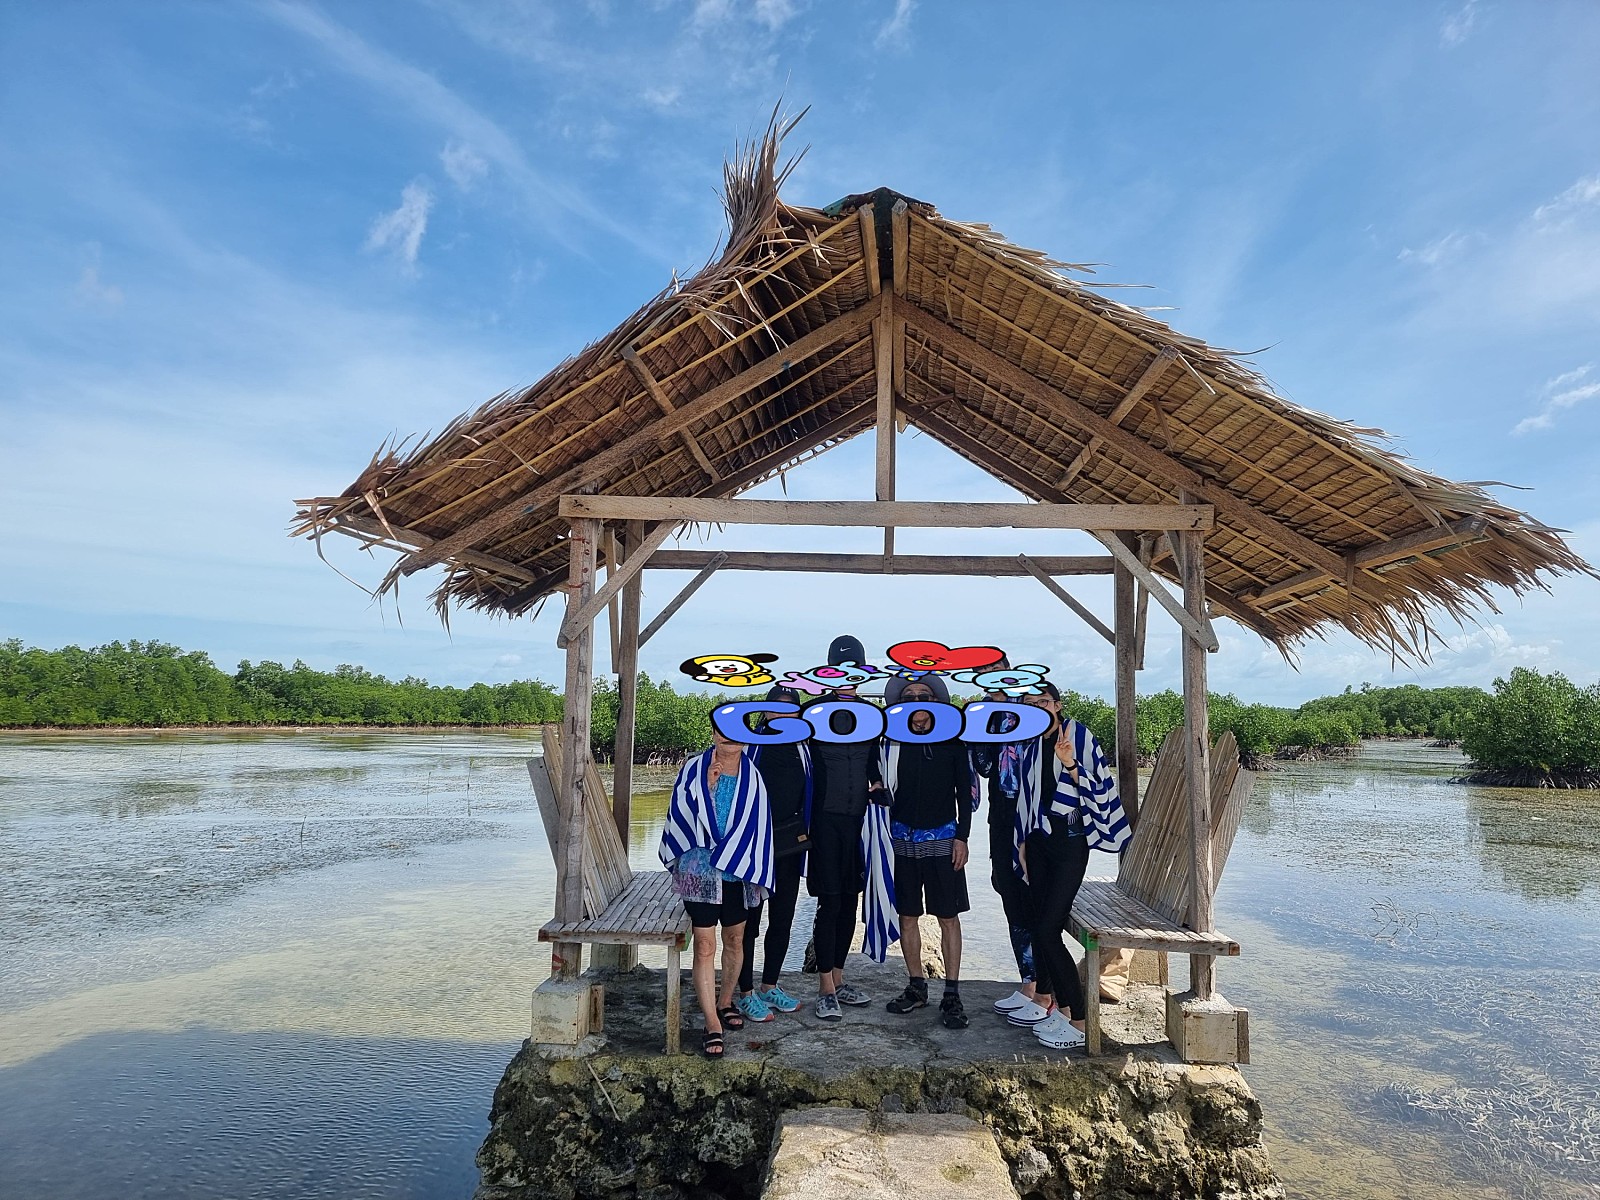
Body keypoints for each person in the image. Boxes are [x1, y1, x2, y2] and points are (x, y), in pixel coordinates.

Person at [1005, 682, 1130, 1049]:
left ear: (1057, 704)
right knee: (1036, 923)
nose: (1037, 708)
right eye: (1029, 704)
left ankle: (1079, 1021)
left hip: (1070, 843)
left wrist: (1070, 764)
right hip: (1040, 842)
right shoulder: (1029, 740)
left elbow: (1103, 790)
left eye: (1043, 702)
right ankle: (1055, 1007)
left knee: (1047, 931)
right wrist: (1023, 844)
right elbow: (1026, 798)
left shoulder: (1078, 735)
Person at [658, 723, 774, 1058]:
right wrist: (705, 788)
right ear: (712, 734)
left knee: (736, 939)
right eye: (720, 730)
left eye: (735, 730)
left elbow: (760, 823)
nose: (728, 736)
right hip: (701, 869)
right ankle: (712, 1022)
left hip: (739, 869)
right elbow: (677, 814)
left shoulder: (755, 775)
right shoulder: (694, 768)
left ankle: (725, 1002)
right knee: (705, 944)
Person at [879, 676, 975, 1029]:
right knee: (907, 915)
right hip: (901, 837)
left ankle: (952, 992)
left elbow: (964, 795)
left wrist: (962, 837)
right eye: (909, 696)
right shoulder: (889, 742)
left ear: (935, 701)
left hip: (944, 838)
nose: (917, 699)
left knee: (948, 916)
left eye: (923, 695)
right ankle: (916, 985)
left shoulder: (952, 742)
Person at [805, 634, 881, 1021]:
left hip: (858, 821)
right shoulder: (811, 713)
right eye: (841, 669)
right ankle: (824, 988)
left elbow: (874, 766)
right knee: (829, 901)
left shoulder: (872, 715)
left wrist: (879, 784)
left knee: (851, 898)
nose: (847, 678)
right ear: (829, 671)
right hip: (824, 821)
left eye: (855, 670)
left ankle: (839, 977)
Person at [967, 659, 1039, 1017]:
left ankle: (1044, 989)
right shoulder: (985, 714)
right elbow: (982, 766)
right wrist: (981, 721)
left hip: (1035, 818)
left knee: (1034, 896)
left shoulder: (1033, 708)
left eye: (998, 670)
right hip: (1001, 816)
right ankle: (1028, 981)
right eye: (987, 672)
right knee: (1007, 890)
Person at [735, 686, 812, 1021]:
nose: (782, 713)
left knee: (783, 918)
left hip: (790, 844)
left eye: (789, 708)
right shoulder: (750, 744)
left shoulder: (805, 748)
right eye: (775, 707)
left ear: (799, 713)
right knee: (748, 922)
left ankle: (770, 985)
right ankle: (746, 993)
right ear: (765, 712)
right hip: (754, 847)